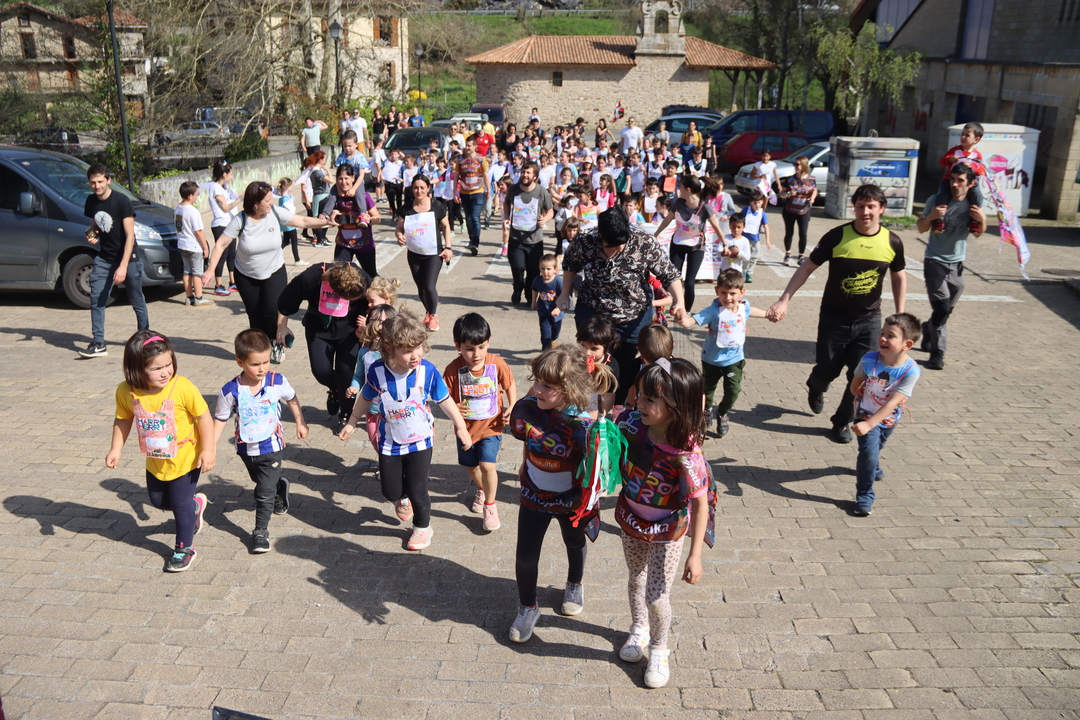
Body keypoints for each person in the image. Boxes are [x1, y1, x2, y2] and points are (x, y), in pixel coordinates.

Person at [766, 184, 907, 444]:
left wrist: (901, 315)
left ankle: (842, 421)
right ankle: (816, 384)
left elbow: (898, 277)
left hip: (869, 321)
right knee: (827, 369)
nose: (865, 212)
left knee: (862, 375)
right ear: (854, 208)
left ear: (882, 209)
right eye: (861, 206)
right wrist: (784, 299)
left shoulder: (892, 242)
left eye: (871, 206)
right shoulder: (837, 236)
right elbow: (807, 267)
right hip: (834, 319)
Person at [615, 358, 714, 688]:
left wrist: (695, 555)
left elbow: (700, 504)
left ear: (676, 405)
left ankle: (659, 648)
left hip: (668, 530)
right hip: (632, 521)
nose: (639, 403)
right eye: (639, 394)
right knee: (636, 578)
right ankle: (639, 629)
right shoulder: (630, 424)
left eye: (649, 399)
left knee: (657, 596)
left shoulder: (686, 453)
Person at [507, 345, 617, 642]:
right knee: (525, 556)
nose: (537, 389)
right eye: (537, 381)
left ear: (571, 389)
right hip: (534, 495)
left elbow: (597, 469)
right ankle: (528, 607)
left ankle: (574, 582)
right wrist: (525, 462)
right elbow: (528, 437)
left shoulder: (584, 427)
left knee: (574, 541)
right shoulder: (527, 408)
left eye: (547, 386)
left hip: (571, 500)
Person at [339, 311, 473, 551]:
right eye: (407, 351)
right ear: (389, 349)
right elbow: (365, 397)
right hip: (389, 440)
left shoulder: (427, 371)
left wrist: (461, 426)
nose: (415, 355)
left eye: (418, 348)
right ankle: (401, 499)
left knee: (417, 488)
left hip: (420, 440)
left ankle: (422, 527)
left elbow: (445, 400)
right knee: (390, 490)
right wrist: (352, 422)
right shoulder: (377, 372)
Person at [105, 331, 214, 572]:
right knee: (159, 501)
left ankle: (184, 549)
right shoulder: (127, 391)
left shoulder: (182, 387)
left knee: (180, 506)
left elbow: (204, 417)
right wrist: (115, 448)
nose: (165, 372)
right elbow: (123, 419)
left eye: (168, 364)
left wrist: (208, 450)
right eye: (157, 368)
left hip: (186, 458)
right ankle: (196, 506)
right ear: (136, 369)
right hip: (156, 459)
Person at [558, 206, 685, 404]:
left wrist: (680, 302)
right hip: (593, 312)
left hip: (632, 316)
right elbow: (570, 264)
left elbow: (669, 274)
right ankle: (588, 404)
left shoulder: (643, 242)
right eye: (612, 245)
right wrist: (564, 294)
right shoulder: (585, 240)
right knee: (590, 361)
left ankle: (617, 406)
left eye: (622, 244)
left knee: (623, 367)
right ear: (601, 235)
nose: (618, 249)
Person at [202, 181, 335, 349]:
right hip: (246, 275)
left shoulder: (275, 212)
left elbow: (303, 221)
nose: (271, 203)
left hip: (274, 271)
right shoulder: (241, 220)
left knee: (273, 311)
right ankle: (260, 350)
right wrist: (210, 270)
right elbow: (220, 244)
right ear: (255, 204)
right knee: (255, 316)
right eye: (268, 200)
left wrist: (326, 223)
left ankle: (275, 343)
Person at [212, 329, 308, 553]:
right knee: (259, 480)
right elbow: (220, 419)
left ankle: (260, 531)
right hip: (246, 448)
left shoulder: (276, 381)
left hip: (271, 446)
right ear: (240, 362)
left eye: (266, 362)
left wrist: (300, 422)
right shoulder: (231, 390)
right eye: (255, 364)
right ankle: (278, 487)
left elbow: (292, 398)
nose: (262, 368)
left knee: (263, 492)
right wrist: (210, 447)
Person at [442, 313, 517, 532]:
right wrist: (454, 407)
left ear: (488, 343)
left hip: (492, 426)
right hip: (466, 430)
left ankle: (490, 506)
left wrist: (513, 405)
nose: (476, 354)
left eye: (481, 347)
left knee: (487, 465)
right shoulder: (452, 369)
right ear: (457, 346)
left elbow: (509, 383)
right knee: (472, 467)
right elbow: (443, 397)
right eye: (469, 349)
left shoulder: (497, 363)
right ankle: (483, 488)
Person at [276, 261, 370, 426]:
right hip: (318, 327)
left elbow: (378, 300)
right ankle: (335, 388)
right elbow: (286, 302)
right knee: (321, 371)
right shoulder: (310, 277)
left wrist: (371, 326)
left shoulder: (362, 278)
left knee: (346, 372)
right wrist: (282, 327)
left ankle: (346, 415)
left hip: (351, 329)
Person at [677, 268, 769, 437]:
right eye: (723, 293)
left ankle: (722, 412)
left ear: (742, 292)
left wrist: (768, 314)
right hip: (711, 359)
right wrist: (681, 319)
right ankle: (707, 409)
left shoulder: (744, 306)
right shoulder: (713, 310)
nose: (728, 298)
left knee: (733, 391)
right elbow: (690, 322)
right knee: (707, 390)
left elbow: (751, 310)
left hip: (734, 359)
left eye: (733, 293)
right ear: (716, 291)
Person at [848, 313, 921, 516]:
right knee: (868, 452)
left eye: (890, 336)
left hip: (889, 418)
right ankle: (865, 495)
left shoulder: (911, 371)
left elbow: (892, 402)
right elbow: (855, 385)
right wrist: (862, 414)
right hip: (865, 414)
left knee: (877, 446)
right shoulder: (869, 359)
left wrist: (871, 423)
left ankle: (874, 465)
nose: (882, 338)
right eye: (882, 333)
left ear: (907, 344)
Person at [915, 162, 986, 370]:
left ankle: (928, 328)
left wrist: (982, 220)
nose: (955, 184)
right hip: (934, 261)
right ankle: (937, 354)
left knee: (945, 311)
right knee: (942, 309)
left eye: (960, 181)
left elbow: (978, 233)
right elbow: (920, 228)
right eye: (953, 180)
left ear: (971, 183)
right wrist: (931, 216)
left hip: (957, 264)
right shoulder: (935, 200)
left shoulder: (974, 203)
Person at [80, 163, 148, 357]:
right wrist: (93, 234)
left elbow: (130, 236)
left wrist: (123, 266)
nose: (97, 186)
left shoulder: (122, 201)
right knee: (96, 298)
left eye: (100, 181)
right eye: (93, 182)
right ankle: (98, 343)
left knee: (136, 299)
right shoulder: (91, 201)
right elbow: (96, 225)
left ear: (108, 180)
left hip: (128, 258)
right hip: (105, 258)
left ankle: (145, 338)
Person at [652, 175, 729, 313]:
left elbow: (716, 227)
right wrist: (655, 235)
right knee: (674, 279)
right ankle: (676, 305)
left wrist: (725, 245)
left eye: (680, 186)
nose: (678, 189)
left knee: (689, 282)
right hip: (677, 243)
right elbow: (667, 220)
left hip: (696, 247)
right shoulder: (678, 203)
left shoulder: (704, 207)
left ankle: (686, 311)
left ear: (688, 189)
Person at [397, 174, 453, 331]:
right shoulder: (406, 208)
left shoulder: (437, 206)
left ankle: (433, 315)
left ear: (428, 188)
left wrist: (448, 247)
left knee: (429, 286)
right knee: (421, 288)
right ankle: (428, 312)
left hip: (434, 253)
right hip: (414, 254)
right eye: (415, 188)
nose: (419, 191)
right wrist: (399, 235)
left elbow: (446, 226)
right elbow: (399, 228)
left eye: (422, 187)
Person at [504, 160, 555, 306]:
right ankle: (517, 287)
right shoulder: (513, 189)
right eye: (523, 172)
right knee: (518, 267)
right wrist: (507, 217)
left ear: (535, 176)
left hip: (534, 240)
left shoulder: (541, 192)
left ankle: (529, 294)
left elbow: (550, 211)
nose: (524, 175)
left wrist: (545, 219)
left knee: (533, 271)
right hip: (516, 238)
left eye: (528, 173)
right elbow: (506, 203)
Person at [348, 304, 398, 453]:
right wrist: (354, 387)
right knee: (374, 439)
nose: (378, 325)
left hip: (392, 408)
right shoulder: (364, 352)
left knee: (393, 439)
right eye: (374, 321)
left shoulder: (395, 353)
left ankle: (392, 462)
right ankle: (384, 460)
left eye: (384, 322)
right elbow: (359, 375)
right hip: (371, 408)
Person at [321, 164, 380, 278]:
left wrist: (370, 220)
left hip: (364, 244)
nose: (343, 182)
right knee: (339, 276)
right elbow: (330, 222)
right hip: (343, 244)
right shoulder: (335, 198)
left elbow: (377, 217)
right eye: (340, 179)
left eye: (346, 178)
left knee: (370, 275)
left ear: (353, 178)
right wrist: (332, 217)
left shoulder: (364, 196)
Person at [935, 121, 984, 234]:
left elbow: (982, 170)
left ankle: (974, 221)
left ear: (976, 139)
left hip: (969, 183)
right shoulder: (954, 151)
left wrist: (972, 166)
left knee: (977, 195)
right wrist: (950, 159)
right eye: (962, 134)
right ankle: (939, 220)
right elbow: (941, 162)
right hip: (949, 180)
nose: (963, 137)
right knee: (942, 193)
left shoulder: (977, 155)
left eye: (967, 135)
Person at [174, 181, 213, 308]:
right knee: (197, 272)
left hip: (182, 244)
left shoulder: (178, 208)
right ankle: (199, 297)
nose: (197, 196)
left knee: (187, 271)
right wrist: (205, 247)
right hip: (194, 246)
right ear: (190, 196)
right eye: (197, 194)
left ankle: (189, 296)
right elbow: (198, 231)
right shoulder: (193, 211)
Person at [207, 159, 242, 294]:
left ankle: (232, 282)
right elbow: (225, 207)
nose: (232, 176)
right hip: (220, 225)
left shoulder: (224, 188)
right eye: (230, 174)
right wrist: (239, 199)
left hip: (230, 223)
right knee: (222, 254)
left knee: (232, 254)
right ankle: (218, 285)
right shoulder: (215, 188)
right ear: (224, 174)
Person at [576, 314, 620, 417]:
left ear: (606, 347)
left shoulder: (611, 365)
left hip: (597, 409)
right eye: (583, 346)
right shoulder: (576, 360)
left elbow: (610, 395)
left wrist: (600, 413)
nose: (587, 352)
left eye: (594, 348)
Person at [780, 155, 818, 267]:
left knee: (803, 234)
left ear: (804, 165)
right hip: (790, 210)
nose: (795, 166)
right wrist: (788, 194)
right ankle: (787, 254)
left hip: (804, 210)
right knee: (789, 232)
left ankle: (801, 256)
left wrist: (813, 198)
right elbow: (781, 194)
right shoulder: (790, 179)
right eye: (794, 164)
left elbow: (814, 190)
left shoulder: (811, 179)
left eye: (797, 164)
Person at [532, 253, 563, 350]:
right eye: (543, 269)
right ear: (539, 268)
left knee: (555, 332)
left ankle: (553, 340)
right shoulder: (537, 280)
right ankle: (546, 350)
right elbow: (534, 290)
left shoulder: (558, 282)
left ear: (555, 269)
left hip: (556, 314)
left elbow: (564, 297)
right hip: (543, 311)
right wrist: (534, 302)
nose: (545, 272)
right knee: (545, 333)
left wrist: (559, 309)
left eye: (549, 269)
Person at [741, 190, 771, 283]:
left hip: (755, 238)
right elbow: (739, 220)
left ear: (762, 202)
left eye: (759, 202)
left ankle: (749, 272)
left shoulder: (762, 214)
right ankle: (743, 271)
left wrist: (768, 241)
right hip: (744, 237)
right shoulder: (746, 210)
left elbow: (766, 227)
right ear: (751, 203)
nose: (757, 205)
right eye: (755, 203)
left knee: (754, 256)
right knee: (745, 256)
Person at [306, 152, 333, 247]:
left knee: (325, 218)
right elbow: (331, 180)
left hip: (324, 195)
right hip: (320, 196)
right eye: (324, 159)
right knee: (319, 218)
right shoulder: (316, 172)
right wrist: (328, 170)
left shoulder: (317, 170)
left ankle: (323, 238)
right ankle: (319, 240)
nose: (325, 161)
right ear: (320, 160)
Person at [335, 130, 370, 195]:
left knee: (359, 196)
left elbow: (361, 175)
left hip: (357, 182)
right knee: (332, 195)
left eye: (349, 146)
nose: (347, 148)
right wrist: (339, 189)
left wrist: (353, 189)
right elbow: (337, 174)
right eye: (345, 146)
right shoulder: (341, 157)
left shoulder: (360, 158)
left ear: (356, 144)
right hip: (343, 181)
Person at [381, 148, 405, 217]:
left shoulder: (401, 163)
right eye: (392, 154)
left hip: (398, 183)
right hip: (389, 183)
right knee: (390, 198)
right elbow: (381, 169)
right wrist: (383, 177)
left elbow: (404, 173)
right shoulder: (386, 161)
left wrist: (404, 182)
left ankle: (399, 212)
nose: (393, 156)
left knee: (399, 198)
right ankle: (394, 211)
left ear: (398, 155)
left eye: (395, 154)